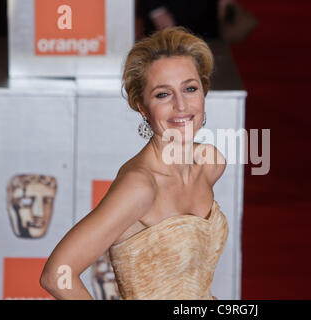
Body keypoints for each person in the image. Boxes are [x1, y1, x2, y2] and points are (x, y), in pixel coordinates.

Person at [40, 27, 229, 300]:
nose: (181, 105)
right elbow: (57, 274)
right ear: (142, 106)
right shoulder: (140, 187)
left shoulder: (210, 163)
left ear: (203, 92)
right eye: (163, 94)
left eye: (190, 89)